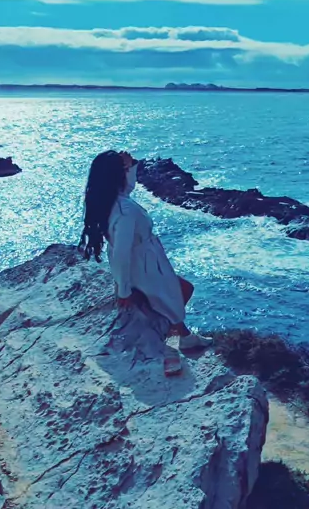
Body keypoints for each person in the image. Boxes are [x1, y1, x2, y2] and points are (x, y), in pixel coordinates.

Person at [79, 150, 212, 372]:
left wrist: (130, 165)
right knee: (173, 303)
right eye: (124, 168)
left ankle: (186, 338)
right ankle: (171, 354)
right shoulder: (126, 210)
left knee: (173, 300)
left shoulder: (107, 200)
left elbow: (128, 188)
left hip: (142, 262)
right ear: (116, 175)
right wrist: (124, 290)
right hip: (144, 265)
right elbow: (122, 252)